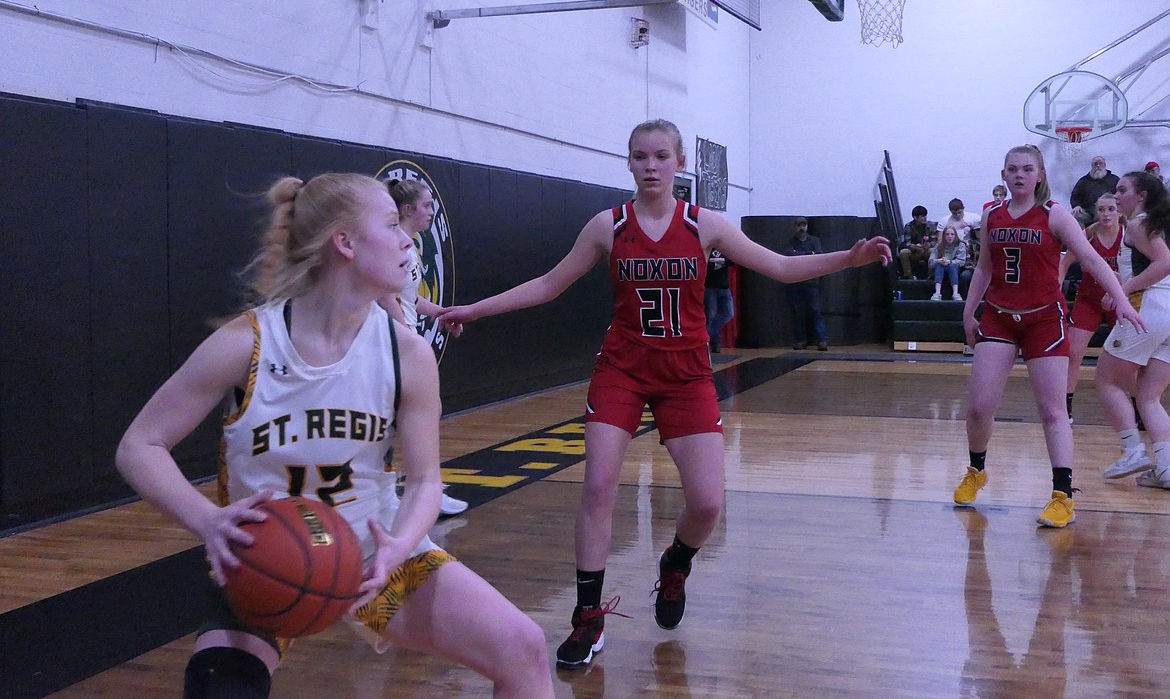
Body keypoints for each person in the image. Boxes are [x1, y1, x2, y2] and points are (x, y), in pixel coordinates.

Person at [437, 119, 891, 670]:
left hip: (686, 375)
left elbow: (781, 267)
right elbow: (548, 285)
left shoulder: (706, 225)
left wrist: (850, 257)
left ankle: (675, 563)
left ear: (679, 164)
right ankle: (588, 617)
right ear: (628, 163)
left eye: (660, 156)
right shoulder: (608, 226)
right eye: (639, 156)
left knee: (707, 503)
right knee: (598, 487)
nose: (649, 166)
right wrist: (471, 310)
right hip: (623, 371)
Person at [115, 172, 554, 699]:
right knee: (219, 687)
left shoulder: (405, 353)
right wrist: (208, 521)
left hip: (376, 559)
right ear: (344, 242)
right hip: (269, 556)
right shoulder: (246, 343)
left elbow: (425, 482)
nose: (406, 240)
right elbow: (140, 446)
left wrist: (401, 545)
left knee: (524, 650)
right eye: (391, 225)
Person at [952, 145, 1143, 529]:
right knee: (978, 407)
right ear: (1003, 175)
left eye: (1027, 169)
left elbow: (1089, 259)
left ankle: (1062, 496)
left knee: (1053, 411)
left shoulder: (1055, 215)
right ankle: (976, 470)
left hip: (1044, 320)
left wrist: (1121, 299)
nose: (1019, 175)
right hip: (1000, 317)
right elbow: (985, 268)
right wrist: (967, 311)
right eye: (1012, 169)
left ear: (1039, 175)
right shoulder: (992, 216)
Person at [381, 176, 468, 518]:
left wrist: (441, 313)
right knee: (407, 415)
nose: (432, 211)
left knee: (413, 414)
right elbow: (385, 294)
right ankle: (412, 491)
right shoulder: (392, 243)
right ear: (407, 209)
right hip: (391, 341)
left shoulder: (410, 244)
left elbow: (409, 297)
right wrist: (405, 334)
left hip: (403, 340)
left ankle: (420, 488)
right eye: (427, 205)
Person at [1093, 171, 1170, 487]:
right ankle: (1166, 469)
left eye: (1122, 190)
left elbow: (1164, 263)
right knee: (1149, 396)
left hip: (1153, 306)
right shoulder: (1158, 223)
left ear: (1141, 196)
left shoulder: (1139, 224)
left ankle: (1132, 449)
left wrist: (1122, 290)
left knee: (1106, 381)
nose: (1116, 195)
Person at [1057, 194, 1123, 426]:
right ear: (1096, 212)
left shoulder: (1129, 236)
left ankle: (1137, 407)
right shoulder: (1087, 235)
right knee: (1073, 352)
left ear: (1120, 212)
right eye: (1102, 209)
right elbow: (1063, 263)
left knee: (1128, 356)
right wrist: (1056, 290)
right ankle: (1065, 406)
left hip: (1120, 300)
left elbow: (1140, 272)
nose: (1106, 214)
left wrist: (1119, 287)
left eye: (1111, 209)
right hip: (1089, 298)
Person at [783, 216, 830, 351]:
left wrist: (799, 255)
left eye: (803, 225)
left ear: (807, 227)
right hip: (795, 283)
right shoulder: (790, 242)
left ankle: (822, 340)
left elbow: (819, 257)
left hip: (811, 283)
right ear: (795, 227)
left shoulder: (815, 241)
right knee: (798, 314)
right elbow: (788, 256)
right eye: (799, 225)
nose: (801, 228)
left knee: (816, 312)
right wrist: (809, 254)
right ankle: (800, 341)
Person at [1070, 155, 1120, 228]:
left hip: (1109, 211)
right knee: (1075, 215)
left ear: (1105, 165)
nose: (1098, 166)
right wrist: (1076, 206)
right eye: (1095, 164)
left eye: (1100, 163)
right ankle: (1082, 237)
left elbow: (1120, 193)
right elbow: (1075, 195)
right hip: (1089, 213)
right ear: (1092, 166)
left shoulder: (1114, 179)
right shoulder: (1084, 181)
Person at [704, 247, 734, 353]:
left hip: (724, 287)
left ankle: (706, 334)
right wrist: (722, 263)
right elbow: (706, 265)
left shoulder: (724, 248)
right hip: (710, 287)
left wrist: (717, 262)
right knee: (711, 315)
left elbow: (732, 261)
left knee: (729, 313)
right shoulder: (707, 248)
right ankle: (715, 344)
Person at [929, 225, 967, 301]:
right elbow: (931, 261)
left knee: (952, 265)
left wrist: (950, 262)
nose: (950, 236)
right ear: (944, 235)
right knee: (939, 265)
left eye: (952, 234)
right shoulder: (939, 245)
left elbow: (962, 261)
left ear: (955, 235)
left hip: (955, 269)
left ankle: (955, 293)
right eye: (947, 234)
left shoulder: (960, 245)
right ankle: (937, 292)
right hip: (940, 269)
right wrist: (939, 260)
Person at [898, 205, 935, 279]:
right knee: (903, 252)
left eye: (925, 215)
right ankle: (908, 276)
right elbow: (906, 242)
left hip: (926, 250)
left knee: (932, 251)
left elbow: (935, 241)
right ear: (915, 217)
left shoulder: (931, 225)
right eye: (922, 216)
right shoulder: (909, 226)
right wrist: (914, 247)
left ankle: (931, 275)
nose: (925, 218)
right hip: (914, 251)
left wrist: (929, 245)